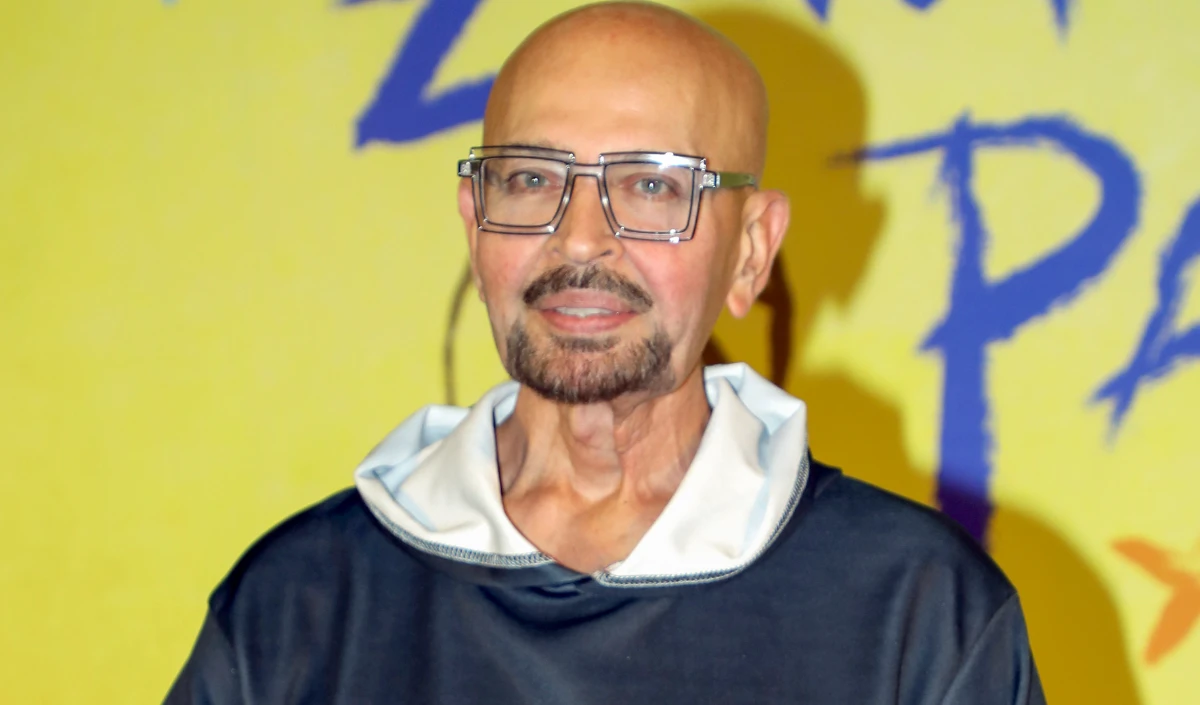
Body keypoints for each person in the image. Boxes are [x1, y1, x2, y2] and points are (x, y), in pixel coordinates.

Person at [165, 2, 1045, 702]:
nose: (580, 238)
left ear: (751, 251)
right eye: (531, 179)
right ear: (476, 225)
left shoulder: (919, 613)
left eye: (652, 185)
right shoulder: (299, 606)